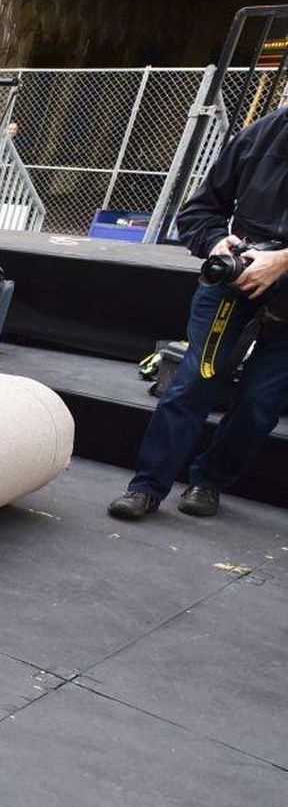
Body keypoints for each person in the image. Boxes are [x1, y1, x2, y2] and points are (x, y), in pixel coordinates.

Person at [108, 106, 288, 521]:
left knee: (261, 401)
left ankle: (209, 482)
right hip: (236, 276)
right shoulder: (259, 136)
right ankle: (146, 487)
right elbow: (198, 212)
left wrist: (282, 261)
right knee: (193, 381)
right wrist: (216, 244)